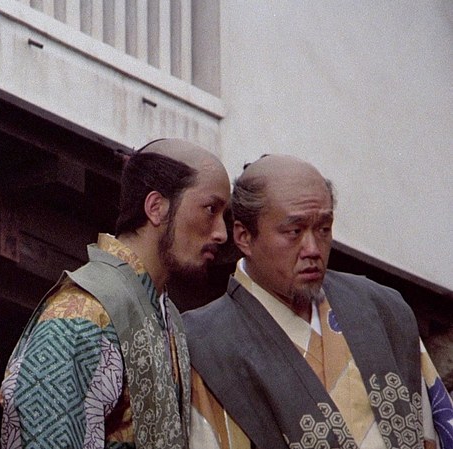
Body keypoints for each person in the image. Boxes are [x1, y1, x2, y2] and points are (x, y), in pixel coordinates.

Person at [185, 154, 453, 448]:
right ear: (244, 236)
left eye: (323, 229)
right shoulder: (205, 342)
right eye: (294, 231)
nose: (312, 248)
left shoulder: (381, 308)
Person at [0, 138, 231, 448]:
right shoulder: (83, 311)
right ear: (156, 207)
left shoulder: (167, 314)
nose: (221, 233)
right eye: (210, 209)